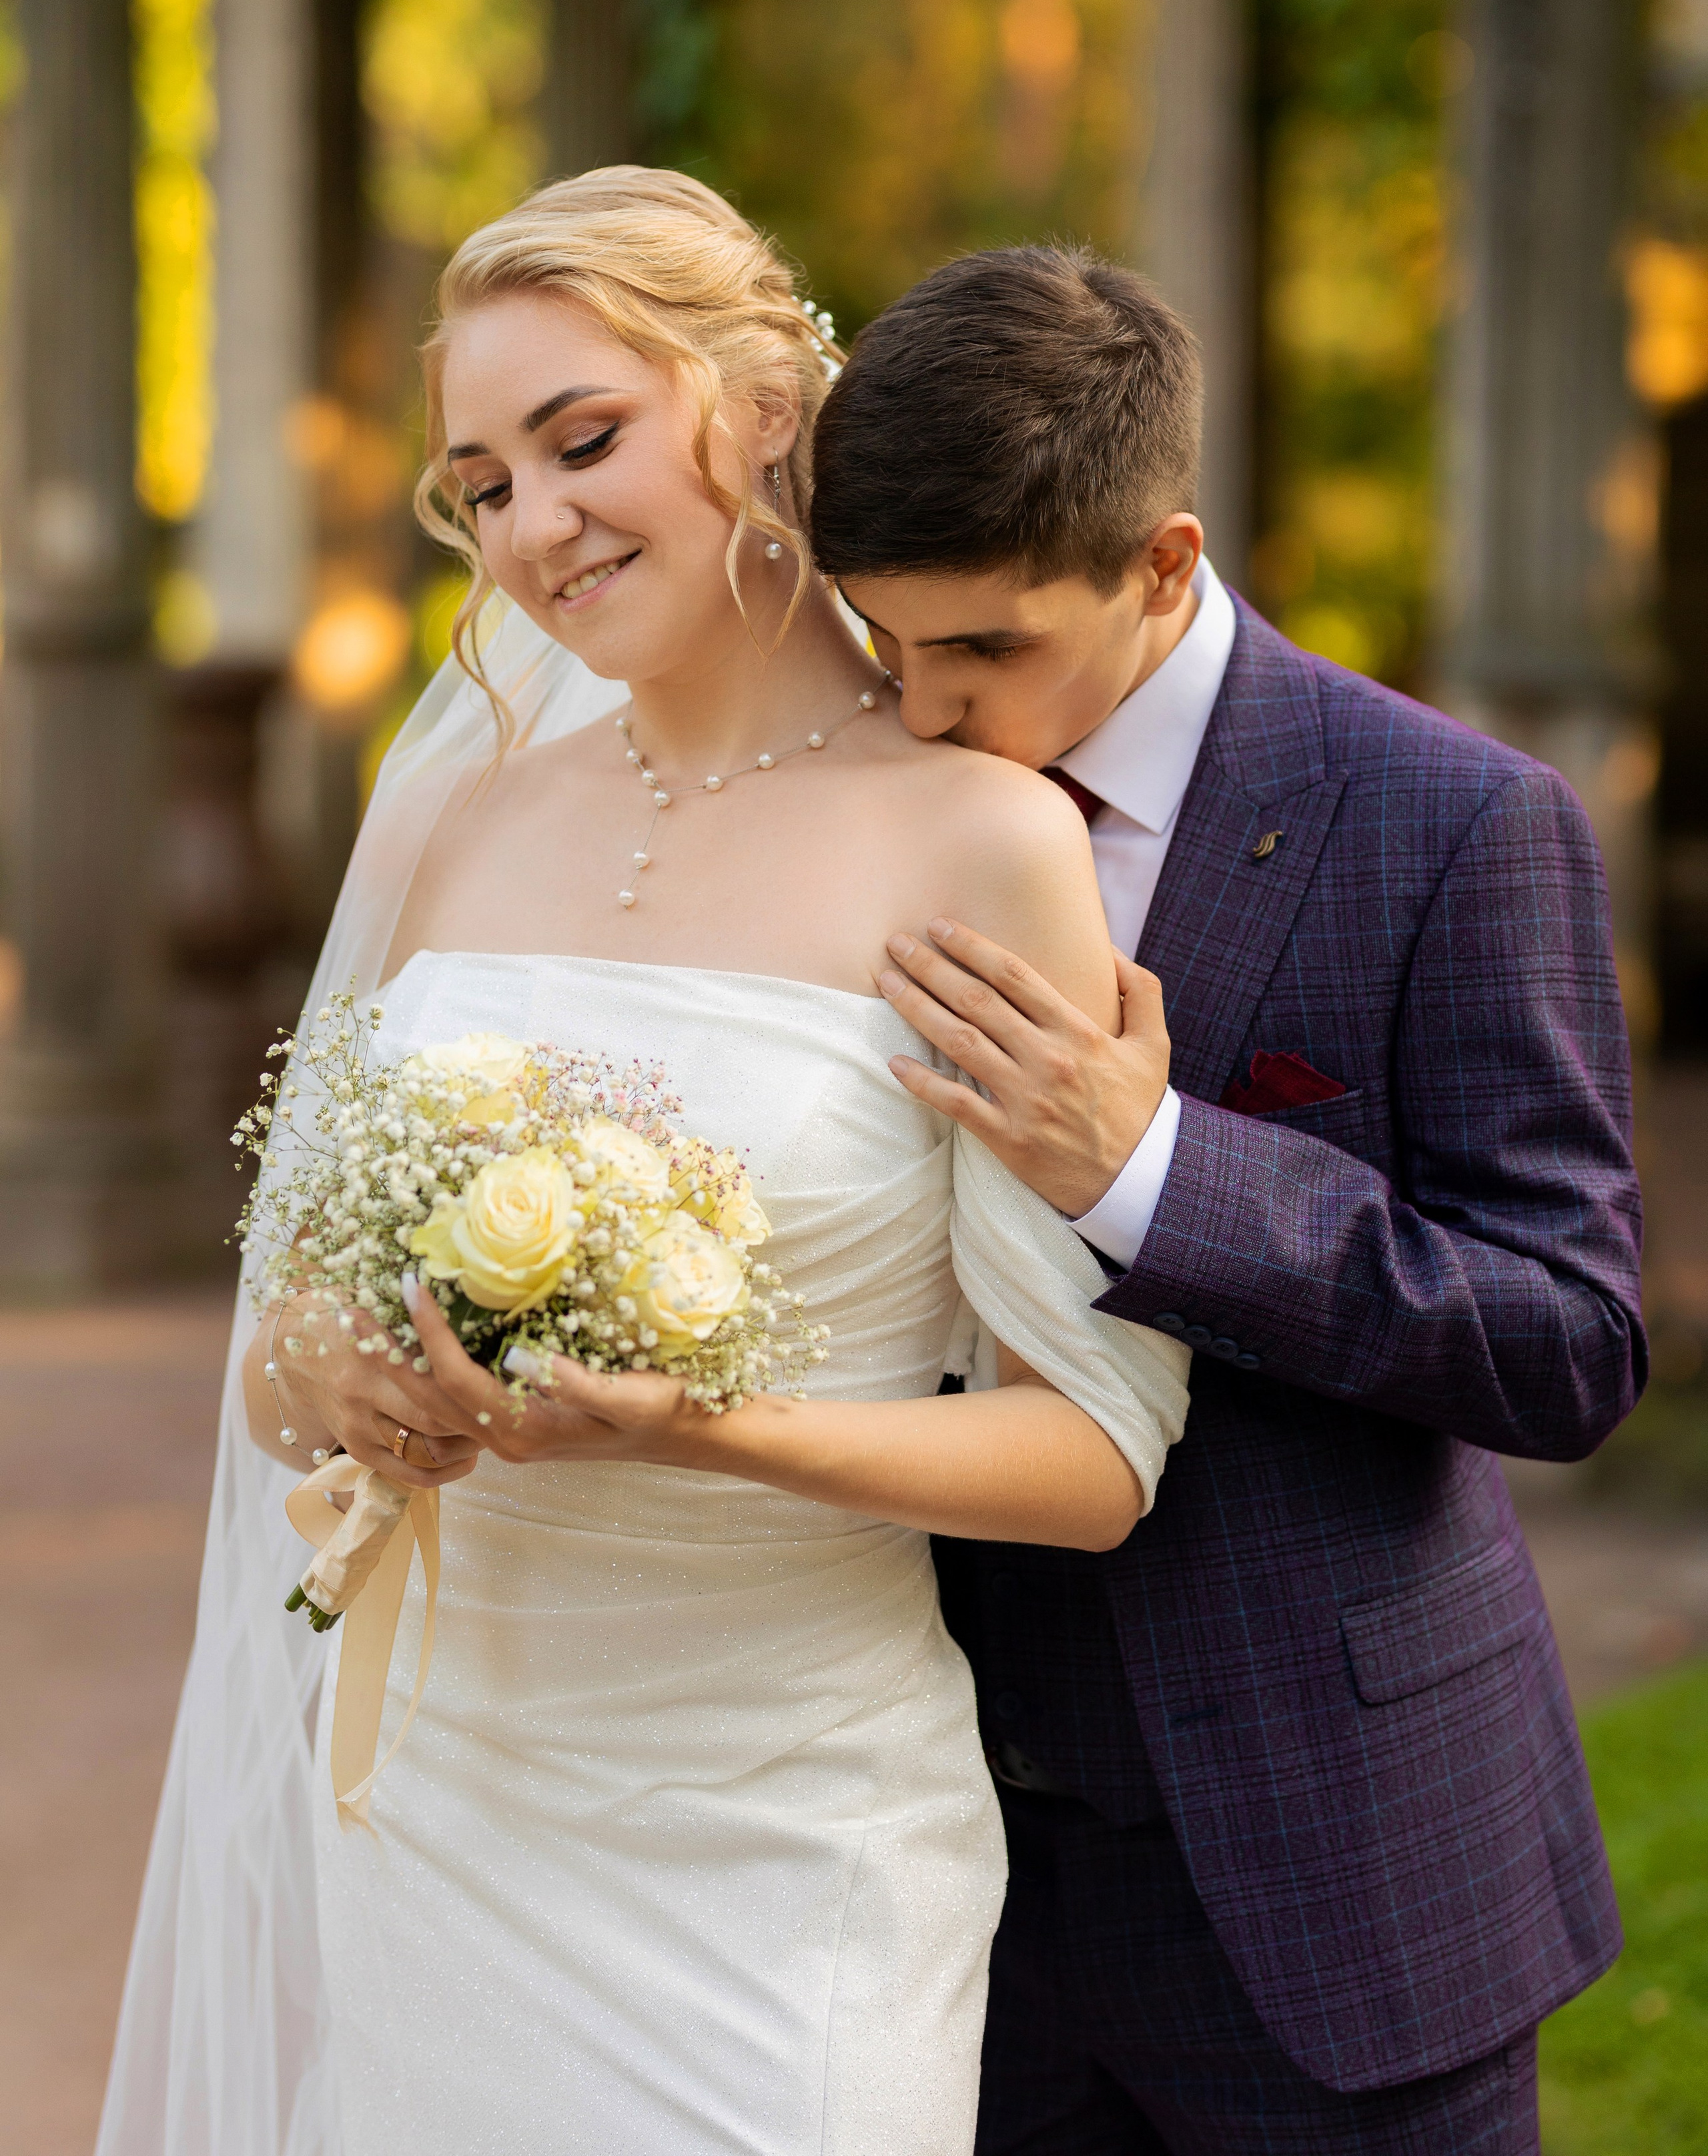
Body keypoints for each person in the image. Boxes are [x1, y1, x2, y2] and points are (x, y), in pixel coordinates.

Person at [95, 173, 1190, 2156]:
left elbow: (1096, 1458)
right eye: (482, 486)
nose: (537, 526)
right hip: (439, 1804)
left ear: (762, 403)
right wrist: (337, 1375)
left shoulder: (984, 840)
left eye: (583, 440)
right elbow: (277, 1366)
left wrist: (712, 1428)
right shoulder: (455, 824)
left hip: (779, 1839)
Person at [807, 243, 1645, 2156]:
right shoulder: (849, 803)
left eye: (987, 648)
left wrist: (1158, 1172)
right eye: (886, 645)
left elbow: (1575, 1341)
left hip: (1335, 1870)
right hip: (946, 1865)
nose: (922, 711)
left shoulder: (1455, 824)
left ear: (1165, 562)